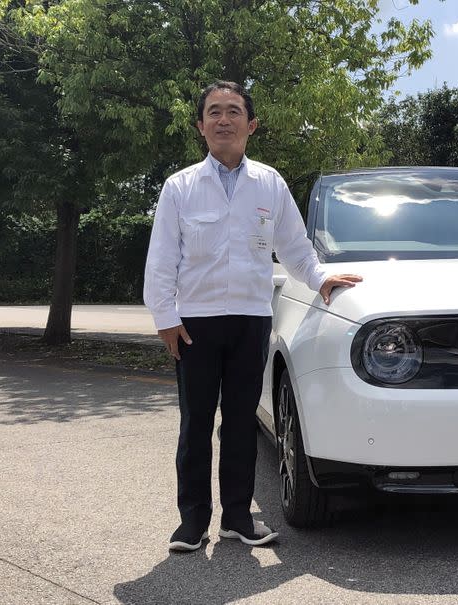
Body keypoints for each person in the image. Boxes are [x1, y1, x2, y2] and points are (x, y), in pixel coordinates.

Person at [143, 80, 361, 552]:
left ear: (251, 124)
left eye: (234, 111)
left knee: (241, 421)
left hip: (250, 319)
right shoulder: (179, 187)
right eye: (215, 112)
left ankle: (238, 519)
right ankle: (193, 522)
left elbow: (296, 248)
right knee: (195, 424)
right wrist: (165, 317)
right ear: (201, 126)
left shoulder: (270, 183)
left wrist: (321, 278)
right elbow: (161, 259)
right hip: (194, 323)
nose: (225, 119)